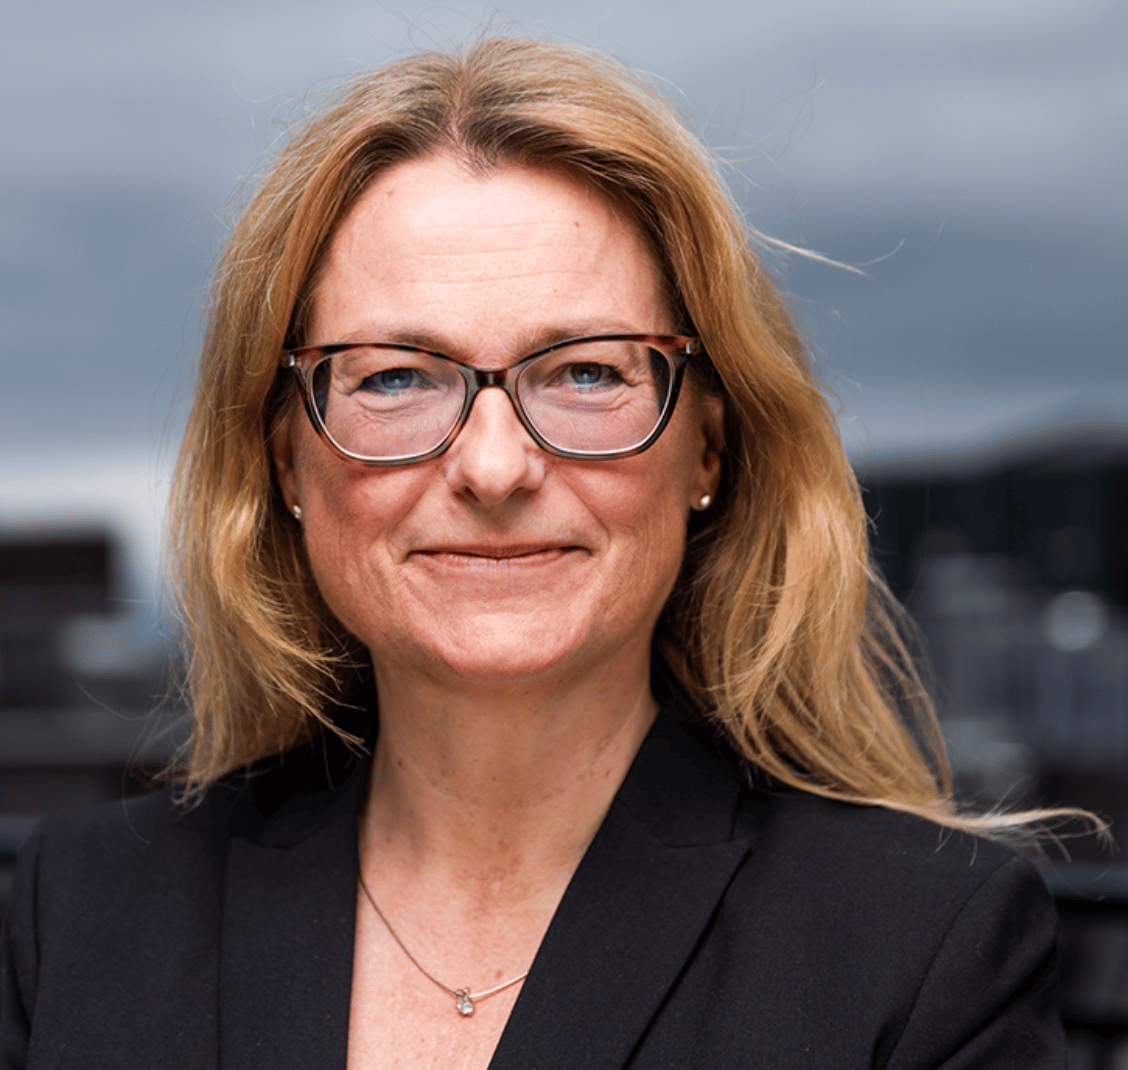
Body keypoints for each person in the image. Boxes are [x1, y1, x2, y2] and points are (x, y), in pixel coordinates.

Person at [2, 36, 1070, 1069]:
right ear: (287, 458)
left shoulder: (924, 948)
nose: (497, 466)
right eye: (394, 377)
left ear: (707, 443)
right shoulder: (75, 915)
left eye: (587, 373)